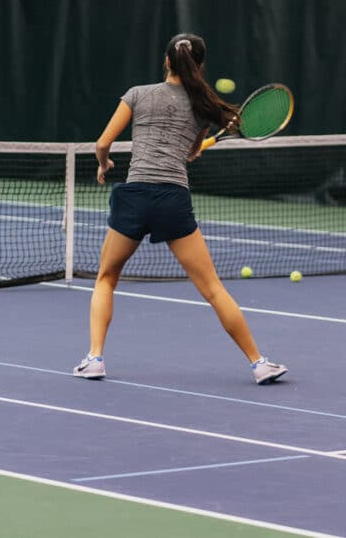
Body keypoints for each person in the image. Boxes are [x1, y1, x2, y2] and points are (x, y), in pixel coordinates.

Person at [73, 33, 287, 385]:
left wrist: (104, 162)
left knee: (106, 278)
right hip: (173, 199)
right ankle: (259, 363)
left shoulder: (138, 94)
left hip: (135, 196)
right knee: (213, 288)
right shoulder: (203, 105)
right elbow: (186, 152)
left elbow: (102, 142)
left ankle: (95, 358)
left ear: (166, 61)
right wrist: (192, 149)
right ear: (199, 65)